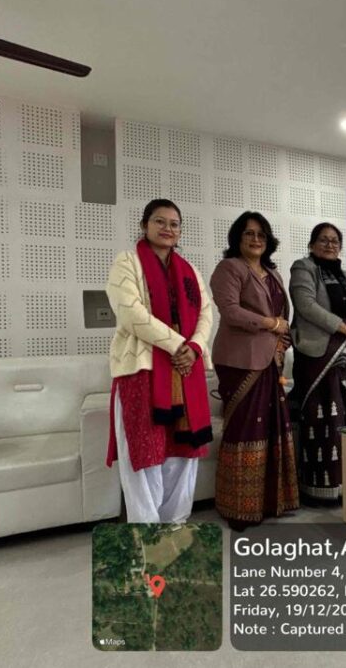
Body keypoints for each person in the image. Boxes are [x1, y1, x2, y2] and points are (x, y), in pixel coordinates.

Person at [105, 199, 213, 523]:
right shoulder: (127, 262)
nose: (167, 228)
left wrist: (195, 347)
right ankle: (146, 532)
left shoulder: (189, 270)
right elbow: (131, 313)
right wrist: (179, 344)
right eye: (159, 221)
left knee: (184, 453)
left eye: (174, 224)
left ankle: (175, 526)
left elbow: (206, 313)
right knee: (145, 453)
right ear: (144, 225)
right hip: (143, 369)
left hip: (185, 370)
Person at [209, 211, 298, 529]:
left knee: (271, 429)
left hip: (271, 360)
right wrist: (271, 324)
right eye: (249, 233)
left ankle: (271, 501)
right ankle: (238, 508)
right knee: (244, 431)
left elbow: (285, 315)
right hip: (239, 361)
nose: (256, 239)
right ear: (238, 238)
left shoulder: (273, 272)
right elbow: (231, 312)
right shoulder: (229, 268)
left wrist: (282, 340)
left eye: (261, 234)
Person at [289, 223, 346, 504]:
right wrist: (343, 328)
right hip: (316, 355)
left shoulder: (345, 276)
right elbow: (306, 305)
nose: (330, 245)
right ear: (311, 244)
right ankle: (318, 489)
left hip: (344, 356)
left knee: (345, 417)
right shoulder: (303, 268)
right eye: (323, 240)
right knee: (321, 419)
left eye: (335, 241)